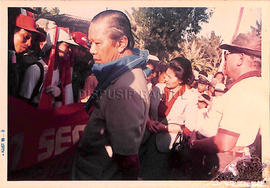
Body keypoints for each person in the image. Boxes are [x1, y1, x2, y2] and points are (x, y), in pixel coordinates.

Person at [72, 10, 150, 180]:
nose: (91, 50)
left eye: (98, 43)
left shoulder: (124, 88)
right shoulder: (122, 76)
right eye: (90, 43)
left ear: (121, 43)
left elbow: (127, 158)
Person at [189, 31, 264, 180]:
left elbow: (224, 142)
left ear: (240, 58)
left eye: (228, 54)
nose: (225, 58)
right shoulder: (255, 85)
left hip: (223, 164)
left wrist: (194, 143)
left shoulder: (243, 90)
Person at [139, 57, 197, 180]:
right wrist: (149, 121)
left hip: (165, 148)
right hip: (144, 140)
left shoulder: (190, 96)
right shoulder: (158, 88)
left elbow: (188, 128)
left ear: (181, 80)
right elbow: (144, 109)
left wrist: (165, 128)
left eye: (170, 77)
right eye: (166, 74)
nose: (165, 78)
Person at [8, 11, 45, 98]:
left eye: (32, 40)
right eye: (26, 37)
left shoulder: (16, 58)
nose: (29, 44)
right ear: (12, 31)